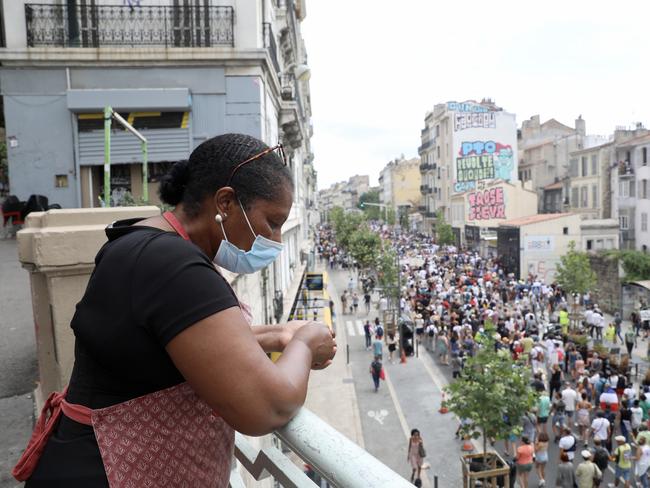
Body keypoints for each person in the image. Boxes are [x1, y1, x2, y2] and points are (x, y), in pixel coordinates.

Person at [13, 134, 337, 487]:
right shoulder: (174, 267)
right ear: (225, 203)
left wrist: (276, 334)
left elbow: (175, 340)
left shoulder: (144, 242)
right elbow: (266, 408)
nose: (275, 240)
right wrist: (305, 342)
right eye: (272, 222)